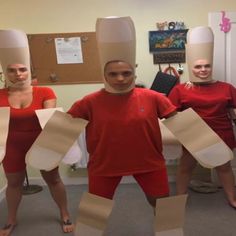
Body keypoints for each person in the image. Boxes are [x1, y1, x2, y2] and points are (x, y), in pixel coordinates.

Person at [67, 16, 177, 208]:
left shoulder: (153, 97)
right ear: (104, 74)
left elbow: (181, 122)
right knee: (95, 210)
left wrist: (207, 146)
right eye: (113, 74)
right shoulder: (89, 102)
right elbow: (63, 128)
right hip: (104, 166)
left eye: (126, 73)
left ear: (134, 72)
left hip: (150, 163)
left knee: (163, 205)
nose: (120, 78)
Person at [0, 29, 74, 235]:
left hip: (42, 141)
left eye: (22, 69)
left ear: (29, 70)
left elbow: (50, 118)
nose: (18, 74)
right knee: (13, 183)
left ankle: (65, 213)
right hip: (12, 144)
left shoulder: (44, 92)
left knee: (53, 179)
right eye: (12, 70)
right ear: (5, 72)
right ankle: (11, 219)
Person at [168, 26, 236, 208]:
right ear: (192, 68)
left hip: (222, 133)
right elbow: (170, 114)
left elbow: (232, 110)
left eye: (207, 66)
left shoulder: (226, 87)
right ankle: (180, 198)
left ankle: (232, 198)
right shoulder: (180, 90)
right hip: (194, 135)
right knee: (186, 168)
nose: (203, 69)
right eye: (198, 66)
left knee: (224, 168)